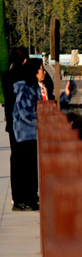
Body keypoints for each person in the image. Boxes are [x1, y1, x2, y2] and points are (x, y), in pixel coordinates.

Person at [11, 58, 74, 211]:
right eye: (41, 69)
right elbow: (26, 113)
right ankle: (22, 201)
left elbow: (50, 106)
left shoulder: (39, 88)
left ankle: (31, 198)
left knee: (32, 168)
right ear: (34, 72)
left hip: (33, 134)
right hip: (25, 134)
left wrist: (66, 95)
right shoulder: (26, 89)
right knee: (24, 168)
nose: (44, 72)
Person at [3, 48, 29, 210]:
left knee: (17, 160)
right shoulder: (23, 76)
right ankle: (23, 198)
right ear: (24, 60)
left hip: (12, 123)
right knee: (23, 162)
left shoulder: (6, 76)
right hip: (23, 123)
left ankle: (17, 198)